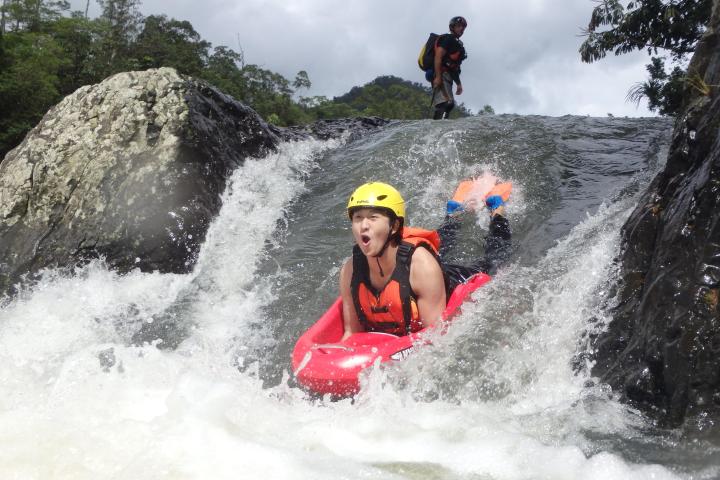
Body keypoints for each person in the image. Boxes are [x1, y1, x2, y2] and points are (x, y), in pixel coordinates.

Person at [339, 182, 511, 340]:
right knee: (440, 248)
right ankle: (454, 213)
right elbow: (351, 333)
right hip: (416, 273)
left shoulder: (422, 267)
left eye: (373, 217)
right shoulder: (350, 271)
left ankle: (497, 211)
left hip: (452, 279)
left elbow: (434, 339)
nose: (363, 225)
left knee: (495, 259)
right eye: (358, 218)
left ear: (395, 226)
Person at [427, 16, 468, 120]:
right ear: (452, 27)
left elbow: (453, 67)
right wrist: (438, 77)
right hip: (441, 74)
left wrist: (458, 83)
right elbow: (438, 56)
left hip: (448, 77)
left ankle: (439, 128)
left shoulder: (457, 44)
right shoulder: (448, 38)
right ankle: (436, 129)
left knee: (448, 104)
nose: (461, 29)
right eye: (459, 26)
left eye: (463, 27)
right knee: (446, 103)